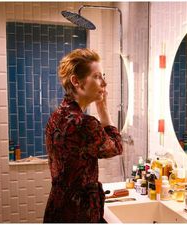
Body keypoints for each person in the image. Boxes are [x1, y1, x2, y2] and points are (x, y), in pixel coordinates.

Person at [43, 48, 123, 222]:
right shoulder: (85, 124)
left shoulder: (56, 116)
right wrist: (103, 110)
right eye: (97, 76)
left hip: (57, 209)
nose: (104, 82)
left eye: (103, 75)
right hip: (80, 214)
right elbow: (116, 147)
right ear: (76, 82)